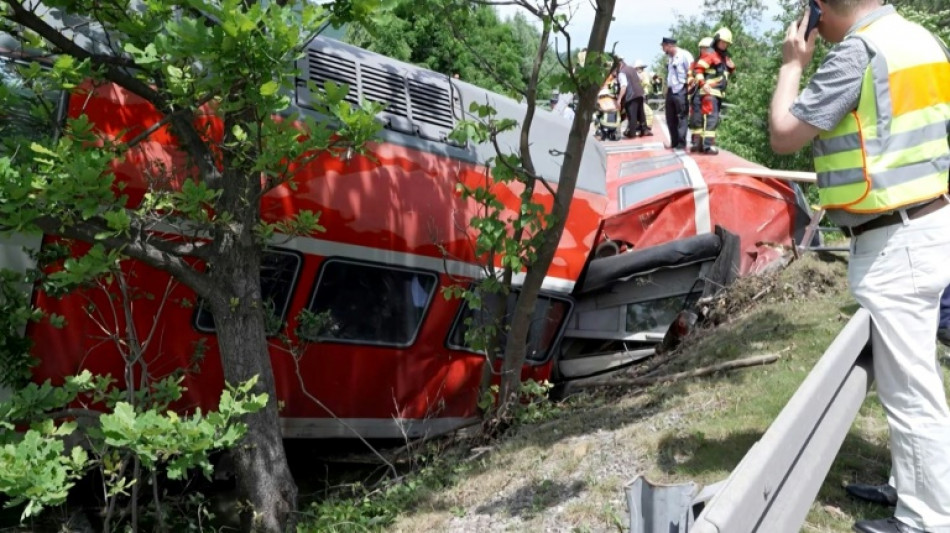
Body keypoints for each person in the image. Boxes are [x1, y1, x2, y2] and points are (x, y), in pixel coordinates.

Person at [769, 1, 950, 532]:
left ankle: (926, 520)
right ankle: (907, 484)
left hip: (895, 240)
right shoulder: (922, 40)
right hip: (931, 220)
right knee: (917, 373)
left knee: (911, 390)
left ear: (820, 10)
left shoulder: (858, 55)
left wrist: (791, 64)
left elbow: (784, 134)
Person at [661, 37, 693, 149]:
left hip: (681, 89)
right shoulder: (670, 58)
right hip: (671, 90)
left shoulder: (684, 55)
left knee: (681, 116)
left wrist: (689, 89)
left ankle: (681, 142)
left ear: (669, 45)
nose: (662, 49)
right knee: (670, 117)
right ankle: (674, 142)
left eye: (663, 46)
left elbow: (691, 71)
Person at [615, 57, 648, 138]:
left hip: (631, 95)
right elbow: (640, 79)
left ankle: (632, 133)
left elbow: (624, 86)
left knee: (632, 115)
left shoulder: (622, 72)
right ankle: (644, 130)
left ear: (619, 64)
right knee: (641, 113)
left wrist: (619, 99)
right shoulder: (631, 68)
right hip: (640, 93)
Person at [633, 59, 655, 135]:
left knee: (644, 111)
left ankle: (645, 127)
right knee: (640, 111)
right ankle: (640, 126)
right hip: (639, 94)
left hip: (643, 95)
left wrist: (640, 85)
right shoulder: (637, 74)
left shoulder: (644, 74)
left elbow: (646, 83)